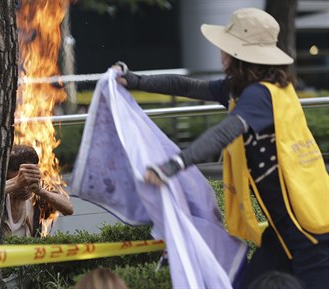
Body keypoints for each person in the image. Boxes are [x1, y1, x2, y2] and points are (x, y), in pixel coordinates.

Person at [114, 7, 329, 289]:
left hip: (314, 234)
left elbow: (225, 132)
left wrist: (174, 165)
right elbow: (190, 86)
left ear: (236, 55)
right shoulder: (251, 89)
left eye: (225, 47)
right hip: (288, 230)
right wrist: (134, 80)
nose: (220, 52)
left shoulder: (259, 95)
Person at [4, 144, 73, 237]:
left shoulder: (39, 187)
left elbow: (68, 209)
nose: (25, 188)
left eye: (28, 183)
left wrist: (41, 191)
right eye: (21, 181)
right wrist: (15, 184)